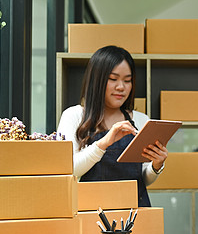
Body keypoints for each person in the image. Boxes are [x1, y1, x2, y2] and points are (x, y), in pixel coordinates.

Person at [57, 45, 167, 207]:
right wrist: (103, 144)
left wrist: (156, 166)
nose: (121, 87)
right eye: (113, 79)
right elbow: (68, 170)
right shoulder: (74, 116)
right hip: (92, 214)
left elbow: (143, 179)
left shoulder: (141, 119)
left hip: (136, 214)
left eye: (127, 80)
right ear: (97, 80)